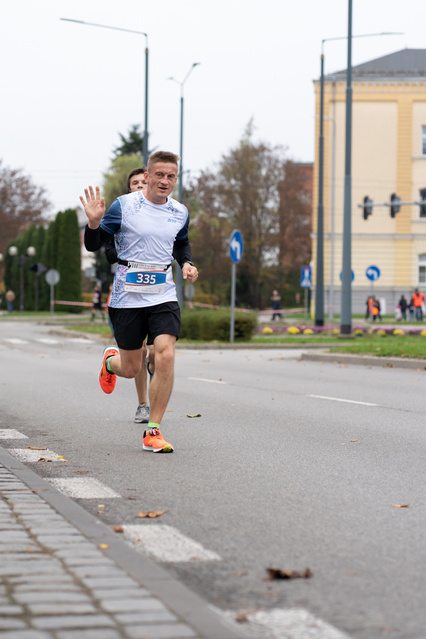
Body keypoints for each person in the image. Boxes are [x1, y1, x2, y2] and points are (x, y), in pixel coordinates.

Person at [81, 151, 198, 454]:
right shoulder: (124, 206)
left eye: (171, 176)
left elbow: (181, 241)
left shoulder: (179, 211)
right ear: (147, 176)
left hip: (163, 294)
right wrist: (93, 224)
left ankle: (153, 429)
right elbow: (94, 245)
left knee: (166, 356)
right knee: (131, 369)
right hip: (127, 297)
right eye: (159, 175)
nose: (165, 181)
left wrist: (185, 263)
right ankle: (110, 361)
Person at [104, 165, 154, 425]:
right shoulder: (123, 214)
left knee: (159, 351)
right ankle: (142, 404)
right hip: (129, 292)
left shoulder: (163, 214)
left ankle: (155, 398)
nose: (139, 186)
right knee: (140, 353)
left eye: (143, 183)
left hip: (158, 291)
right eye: (135, 183)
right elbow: (106, 246)